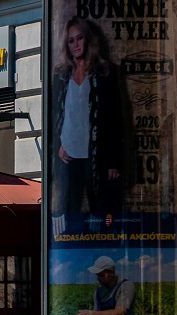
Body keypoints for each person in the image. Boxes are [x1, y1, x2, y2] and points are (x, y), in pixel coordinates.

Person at [51, 17, 136, 223]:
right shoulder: (62, 75)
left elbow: (116, 119)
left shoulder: (105, 72)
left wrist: (115, 162)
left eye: (79, 38)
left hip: (97, 154)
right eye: (71, 41)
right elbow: (56, 115)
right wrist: (58, 146)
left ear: (88, 40)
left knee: (102, 211)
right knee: (69, 210)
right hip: (69, 156)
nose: (76, 45)